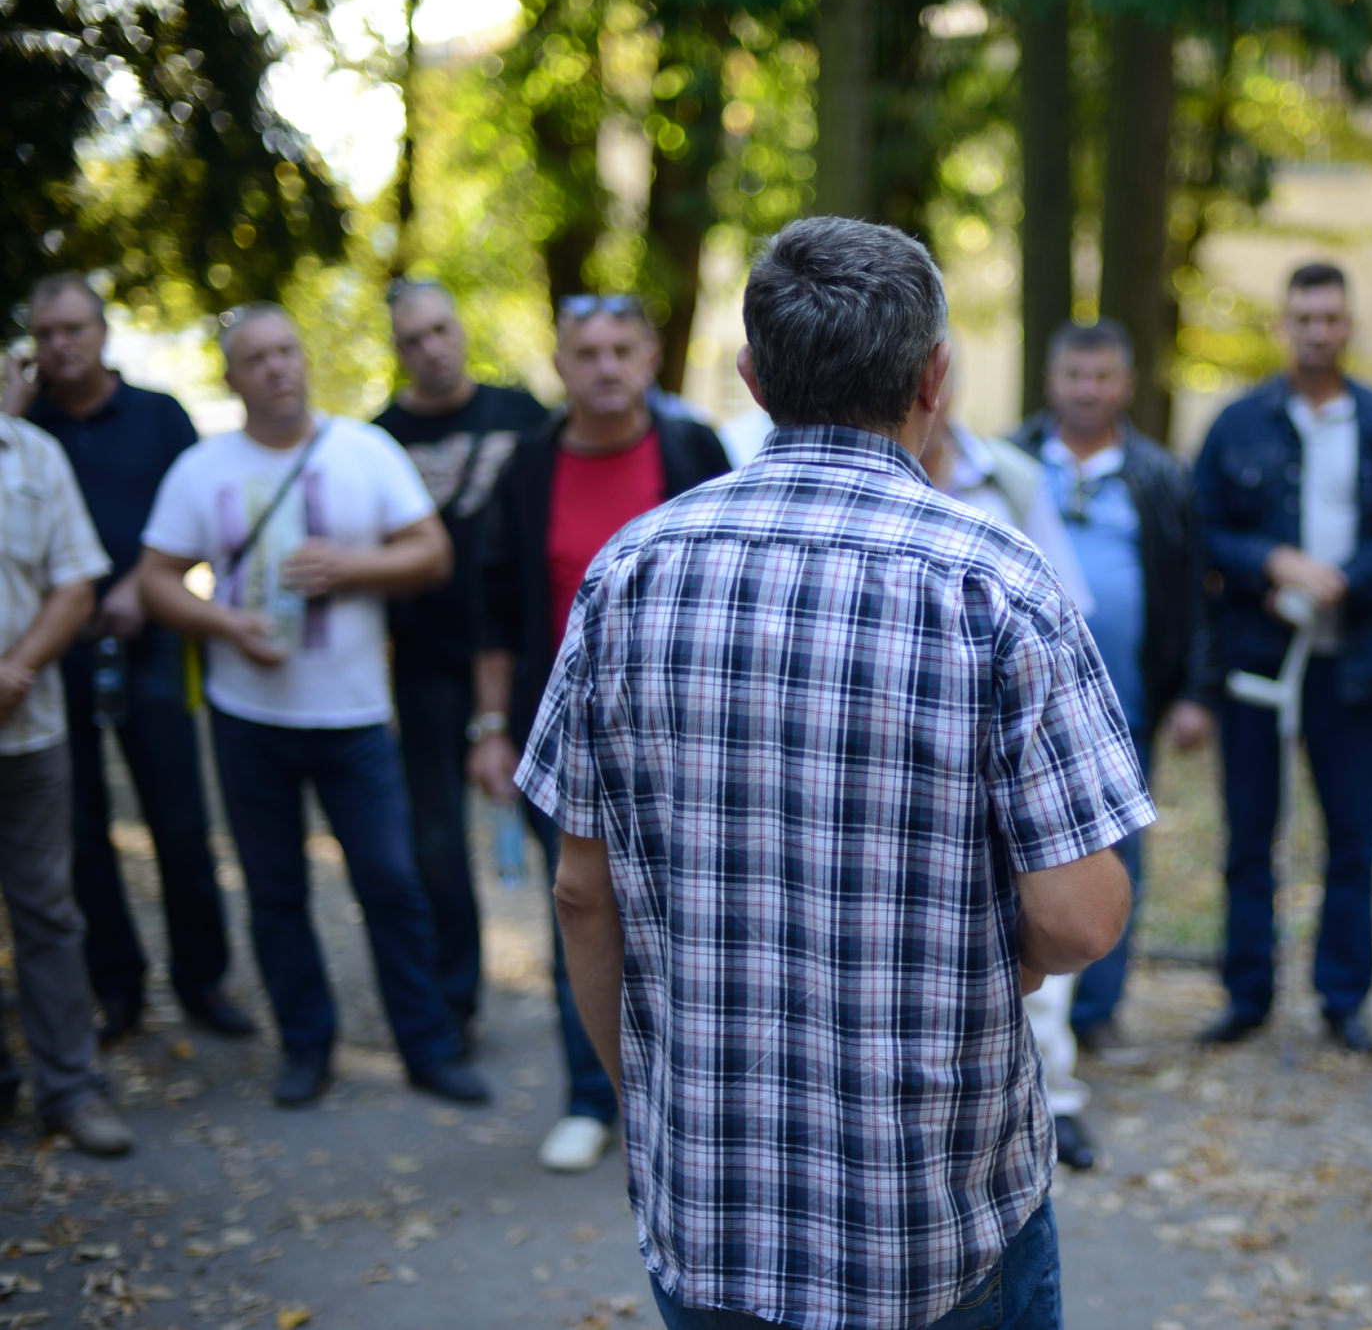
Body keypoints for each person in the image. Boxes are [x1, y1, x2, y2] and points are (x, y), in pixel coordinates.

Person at [519, 216, 1148, 1330]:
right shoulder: (995, 585)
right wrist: (1012, 960)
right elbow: (1083, 917)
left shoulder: (630, 574)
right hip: (939, 1207)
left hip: (709, 1203)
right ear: (933, 378)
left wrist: (645, 1097)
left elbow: (580, 889)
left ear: (754, 380)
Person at [135, 303, 489, 1109]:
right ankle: (306, 1048)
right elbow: (156, 578)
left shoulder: (365, 451)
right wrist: (224, 623)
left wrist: (351, 567)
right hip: (246, 714)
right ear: (232, 378)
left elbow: (432, 555)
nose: (277, 368)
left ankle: (427, 1046)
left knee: (392, 883)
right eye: (256, 358)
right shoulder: (203, 470)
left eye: (287, 351)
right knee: (275, 891)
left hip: (356, 716)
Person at [468, 294, 731, 1174]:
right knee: (580, 907)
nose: (606, 366)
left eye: (623, 348)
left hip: (690, 730)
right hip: (567, 731)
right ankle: (593, 1096)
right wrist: (493, 729)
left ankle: (698, 1096)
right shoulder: (527, 468)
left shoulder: (693, 449)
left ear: (652, 357)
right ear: (560, 366)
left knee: (697, 910)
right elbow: (497, 612)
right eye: (587, 352)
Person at [1191, 262, 1372, 1050]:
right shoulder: (1238, 424)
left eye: (1331, 318)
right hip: (1257, 662)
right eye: (1304, 317)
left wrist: (1347, 582)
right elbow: (1204, 528)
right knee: (1248, 834)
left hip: (1355, 663)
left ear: (1349, 326)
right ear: (1283, 325)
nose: (1317, 331)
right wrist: (1272, 562)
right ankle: (1247, 992)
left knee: (1351, 836)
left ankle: (1343, 997)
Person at [2, 275, 251, 1044]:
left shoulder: (158, 415)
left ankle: (202, 979)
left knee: (179, 819)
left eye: (75, 328)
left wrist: (144, 589)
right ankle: (117, 986)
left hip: (151, 645)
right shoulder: (25, 428)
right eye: (47, 334)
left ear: (104, 332)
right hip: (50, 657)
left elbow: (200, 522)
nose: (62, 345)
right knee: (78, 832)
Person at [1009, 320, 1214, 1060]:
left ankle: (1099, 1008)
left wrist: (1194, 691)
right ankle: (1025, 1009)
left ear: (1126, 384)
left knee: (1118, 855)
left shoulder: (1161, 477)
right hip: (1022, 710)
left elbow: (1192, 592)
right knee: (1022, 854)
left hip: (1126, 706)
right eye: (1074, 375)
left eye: (1102, 377)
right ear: (1051, 380)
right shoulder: (1011, 463)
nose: (1087, 391)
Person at [922, 369, 1104, 1172]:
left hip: (1005, 742)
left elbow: (1065, 605)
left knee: (1041, 910)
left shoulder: (1009, 477)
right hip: (911, 761)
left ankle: (1053, 1097)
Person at [373, 280, 548, 1038]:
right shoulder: (377, 438)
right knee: (435, 842)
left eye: (441, 329)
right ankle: (456, 1003)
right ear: (397, 351)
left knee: (565, 832)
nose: (432, 348)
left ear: (461, 327)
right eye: (413, 339)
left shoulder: (524, 415)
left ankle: (583, 995)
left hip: (529, 656)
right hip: (427, 662)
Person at [0, 411, 133, 1155]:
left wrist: (15, 671)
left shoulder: (33, 454)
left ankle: (70, 1090)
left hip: (29, 728)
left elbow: (77, 583)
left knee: (48, 911)